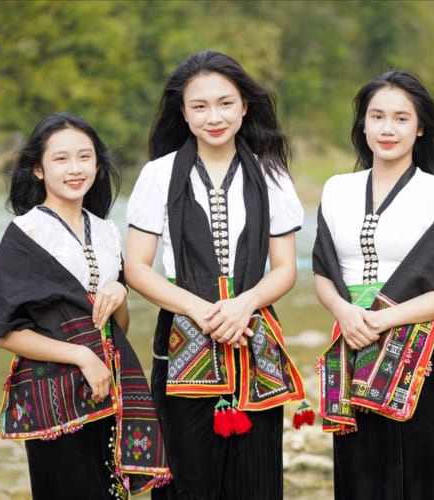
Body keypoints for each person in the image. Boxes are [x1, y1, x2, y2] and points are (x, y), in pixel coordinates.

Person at [124, 51, 307, 499]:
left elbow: (284, 270)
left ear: (244, 106)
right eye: (200, 106)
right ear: (183, 113)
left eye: (225, 103)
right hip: (182, 338)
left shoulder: (272, 174)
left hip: (253, 337)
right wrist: (203, 311)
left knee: (256, 480)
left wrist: (243, 305)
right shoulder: (158, 175)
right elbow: (136, 267)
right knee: (187, 481)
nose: (214, 117)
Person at [0, 112, 170, 499]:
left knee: (111, 491)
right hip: (53, 392)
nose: (75, 168)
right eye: (61, 159)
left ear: (98, 164)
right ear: (38, 170)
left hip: (108, 382)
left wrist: (119, 295)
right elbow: (3, 333)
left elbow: (119, 328)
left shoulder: (106, 230)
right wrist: (81, 356)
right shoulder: (25, 233)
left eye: (85, 157)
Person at [313, 71, 434, 499]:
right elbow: (323, 274)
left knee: (426, 474)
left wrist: (386, 317)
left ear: (420, 127)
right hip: (352, 344)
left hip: (420, 353)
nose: (388, 128)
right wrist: (345, 313)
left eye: (401, 118)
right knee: (360, 476)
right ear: (363, 125)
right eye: (378, 116)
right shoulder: (336, 190)